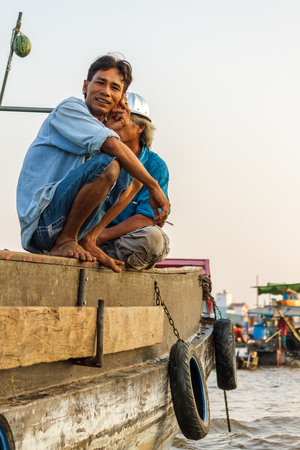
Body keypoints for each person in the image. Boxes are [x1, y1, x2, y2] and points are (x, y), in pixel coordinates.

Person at [17, 55, 170, 273]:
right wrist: (153, 186)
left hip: (73, 227)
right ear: (86, 85)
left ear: (121, 98)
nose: (106, 91)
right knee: (111, 165)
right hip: (44, 227)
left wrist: (112, 129)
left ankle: (89, 238)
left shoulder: (104, 132)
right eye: (100, 82)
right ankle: (66, 240)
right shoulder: (70, 109)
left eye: (114, 87)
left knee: (132, 175)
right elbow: (110, 147)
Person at [97, 93, 170, 270]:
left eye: (121, 118)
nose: (115, 123)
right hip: (86, 238)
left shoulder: (154, 166)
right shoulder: (95, 154)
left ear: (140, 128)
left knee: (154, 239)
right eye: (111, 118)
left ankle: (101, 255)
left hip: (120, 243)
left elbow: (146, 218)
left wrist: (98, 237)